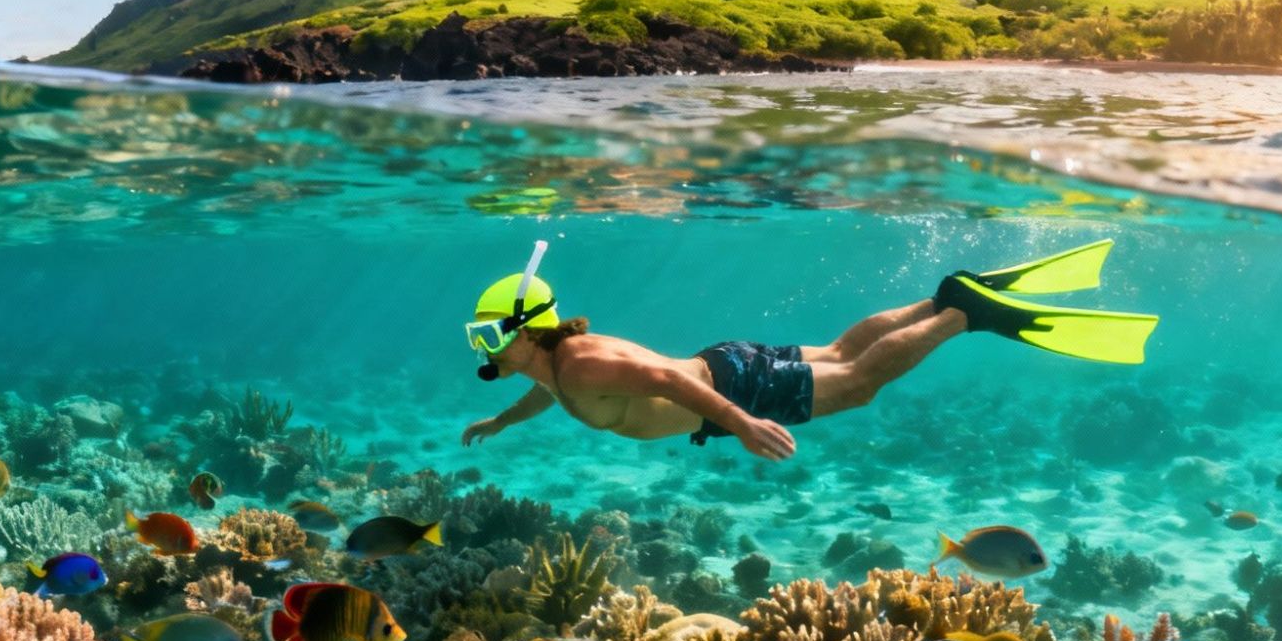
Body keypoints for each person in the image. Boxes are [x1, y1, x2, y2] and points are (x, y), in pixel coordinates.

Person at [461, 240, 1157, 461]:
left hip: (728, 388)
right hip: (726, 361)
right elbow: (543, 394)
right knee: (837, 347)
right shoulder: (554, 368)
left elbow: (666, 384)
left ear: (528, 327)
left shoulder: (582, 363)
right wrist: (500, 422)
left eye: (492, 333)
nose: (486, 347)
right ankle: (940, 295)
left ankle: (961, 316)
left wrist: (742, 423)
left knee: (856, 381)